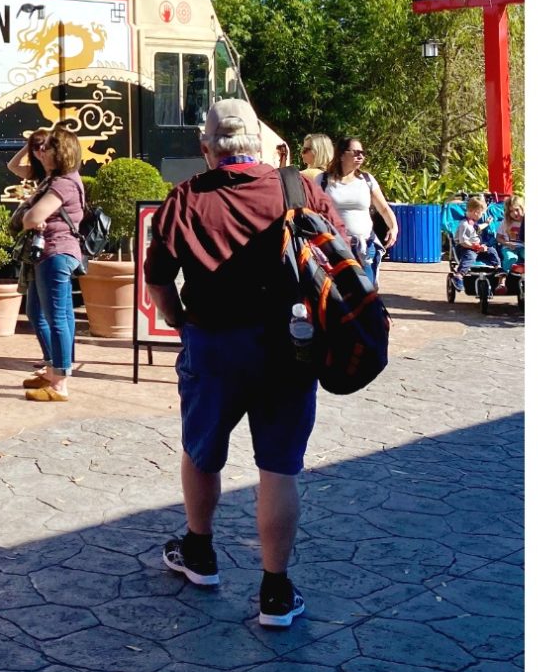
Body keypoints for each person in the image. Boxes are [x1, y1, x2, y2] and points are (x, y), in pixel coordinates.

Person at [146, 98, 348, 629]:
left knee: (201, 452)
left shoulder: (184, 200)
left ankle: (200, 553)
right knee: (278, 470)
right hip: (289, 345)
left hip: (213, 347)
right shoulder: (297, 188)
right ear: (258, 146)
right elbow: (338, 254)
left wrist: (180, 320)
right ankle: (276, 593)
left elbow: (160, 283)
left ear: (206, 148)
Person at [16, 127, 87, 402]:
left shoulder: (63, 184)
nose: (42, 151)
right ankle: (53, 368)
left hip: (55, 254)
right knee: (38, 311)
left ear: (62, 153)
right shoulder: (60, 179)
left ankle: (59, 382)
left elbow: (32, 218)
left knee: (56, 318)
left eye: (49, 148)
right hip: (51, 254)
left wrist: (30, 217)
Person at [321, 138, 398, 287]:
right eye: (356, 153)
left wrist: (393, 227)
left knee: (367, 290)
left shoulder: (367, 180)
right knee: (340, 291)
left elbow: (383, 208)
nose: (361, 156)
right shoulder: (323, 180)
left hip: (365, 245)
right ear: (342, 155)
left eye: (363, 153)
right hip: (335, 247)